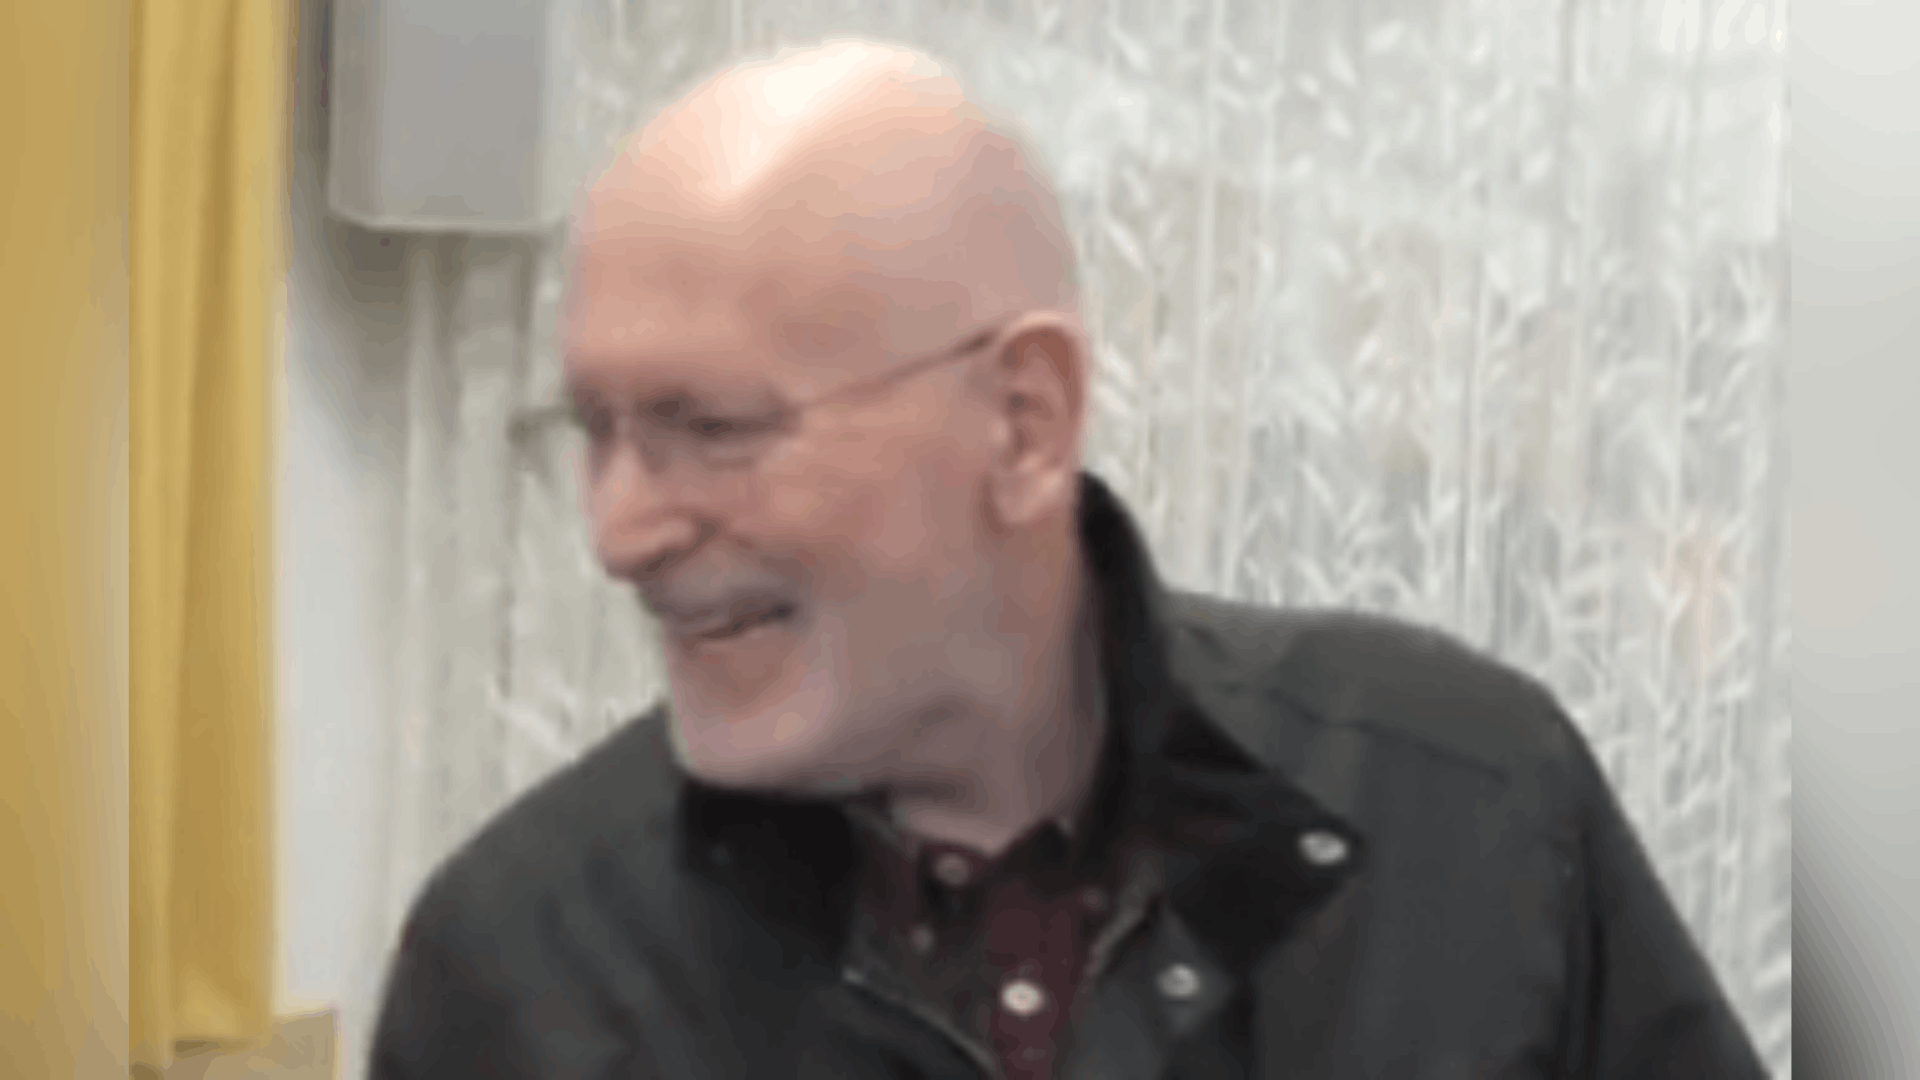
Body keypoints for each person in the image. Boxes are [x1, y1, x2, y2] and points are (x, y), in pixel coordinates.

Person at [369, 39, 1766, 1079]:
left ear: (1024, 421)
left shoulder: (1465, 803)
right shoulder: (516, 969)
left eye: (714, 428)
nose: (620, 533)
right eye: (596, 432)